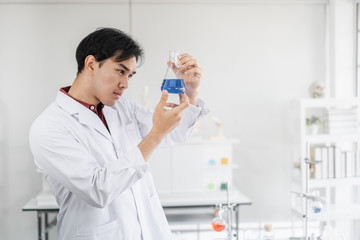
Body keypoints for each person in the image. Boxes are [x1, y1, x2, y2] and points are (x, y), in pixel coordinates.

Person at [29, 27, 208, 240]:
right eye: (120, 71)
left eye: (130, 75)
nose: (125, 84)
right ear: (91, 64)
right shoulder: (50, 126)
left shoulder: (122, 108)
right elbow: (97, 190)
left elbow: (173, 134)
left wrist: (189, 91)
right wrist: (155, 136)